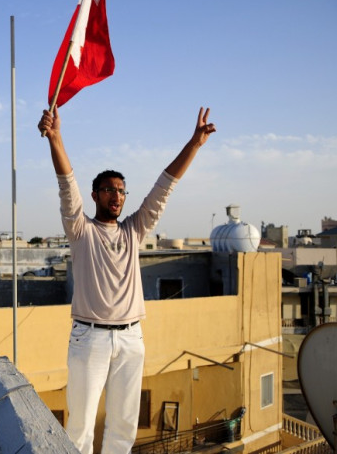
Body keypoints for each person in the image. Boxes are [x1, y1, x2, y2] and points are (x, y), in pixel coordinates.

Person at [37, 107, 216, 454]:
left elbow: (164, 188)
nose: (116, 195)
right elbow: (67, 188)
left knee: (123, 429)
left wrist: (195, 144)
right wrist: (56, 138)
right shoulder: (81, 230)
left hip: (132, 338)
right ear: (95, 196)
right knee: (80, 430)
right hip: (90, 339)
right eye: (107, 189)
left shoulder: (134, 230)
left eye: (120, 190)